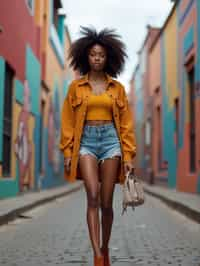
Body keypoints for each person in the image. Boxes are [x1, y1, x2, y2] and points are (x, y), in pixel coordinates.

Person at [59, 26, 136, 266]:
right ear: (86, 56)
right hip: (86, 143)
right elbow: (68, 121)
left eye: (101, 55)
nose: (97, 59)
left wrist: (128, 155)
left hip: (111, 141)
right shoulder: (76, 88)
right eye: (93, 54)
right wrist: (68, 151)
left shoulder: (117, 89)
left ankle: (105, 246)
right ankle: (98, 255)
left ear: (108, 57)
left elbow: (125, 124)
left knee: (106, 202)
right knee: (92, 196)